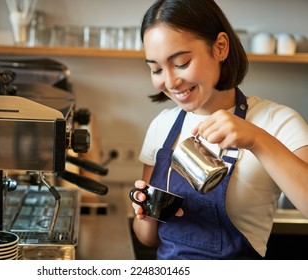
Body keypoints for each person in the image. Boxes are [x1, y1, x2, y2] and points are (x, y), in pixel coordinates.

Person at [131, 0, 308, 260]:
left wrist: (256, 140)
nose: (169, 82)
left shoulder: (277, 121)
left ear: (220, 47)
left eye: (181, 63)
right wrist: (144, 208)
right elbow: (146, 237)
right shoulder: (162, 125)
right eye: (156, 69)